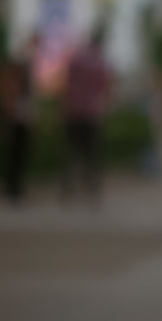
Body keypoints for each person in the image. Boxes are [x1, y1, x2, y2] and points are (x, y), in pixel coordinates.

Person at [62, 29, 114, 202]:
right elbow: (105, 87)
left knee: (72, 152)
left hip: (73, 112)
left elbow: (66, 84)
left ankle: (68, 189)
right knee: (92, 154)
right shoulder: (100, 62)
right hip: (92, 113)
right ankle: (91, 189)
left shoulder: (76, 60)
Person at [0, 33, 40, 204]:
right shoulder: (20, 65)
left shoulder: (25, 64)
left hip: (22, 115)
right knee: (15, 154)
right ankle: (12, 188)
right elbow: (15, 92)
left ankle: (14, 187)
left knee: (18, 154)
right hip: (18, 116)